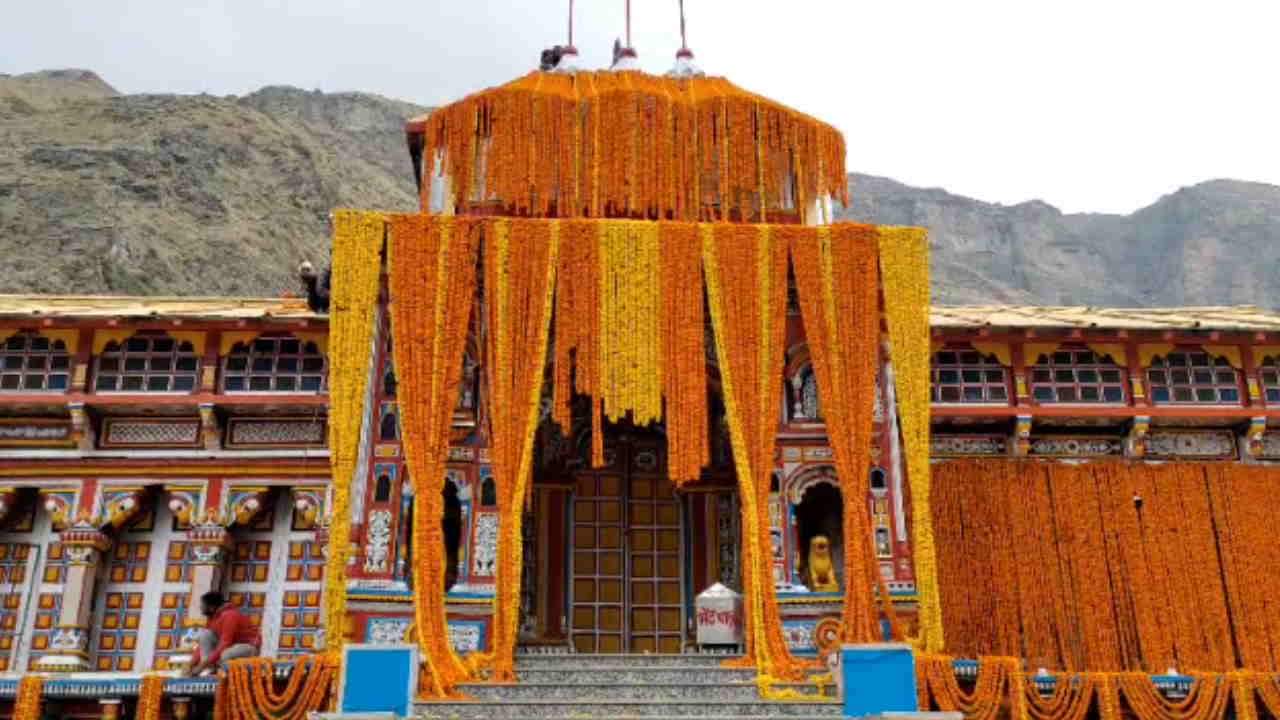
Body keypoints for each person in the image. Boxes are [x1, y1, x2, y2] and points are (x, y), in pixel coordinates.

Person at [186, 591, 261, 676]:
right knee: (205, 634)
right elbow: (203, 645)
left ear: (211, 607)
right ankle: (210, 669)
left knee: (225, 655)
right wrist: (191, 664)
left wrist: (201, 666)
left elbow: (225, 644)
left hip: (248, 647)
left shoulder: (230, 615)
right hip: (230, 647)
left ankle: (225, 675)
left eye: (202, 605)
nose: (200, 608)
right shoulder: (212, 619)